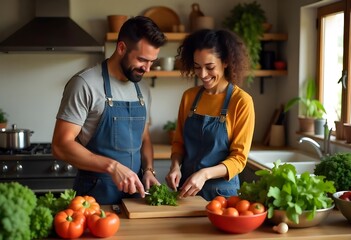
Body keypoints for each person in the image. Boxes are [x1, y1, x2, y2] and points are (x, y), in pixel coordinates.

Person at [52, 16, 167, 205]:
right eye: (141, 59)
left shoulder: (142, 88)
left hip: (135, 197)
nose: (147, 68)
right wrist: (112, 167)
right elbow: (60, 145)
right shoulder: (85, 84)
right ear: (121, 48)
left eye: (152, 62)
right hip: (95, 196)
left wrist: (148, 170)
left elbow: (144, 138)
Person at [165, 29, 255, 201]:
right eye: (197, 67)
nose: (203, 75)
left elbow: (238, 159)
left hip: (222, 195)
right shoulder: (189, 97)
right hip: (187, 191)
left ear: (226, 62)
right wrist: (175, 166)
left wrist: (205, 174)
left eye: (210, 67)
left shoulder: (241, 101)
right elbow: (178, 143)